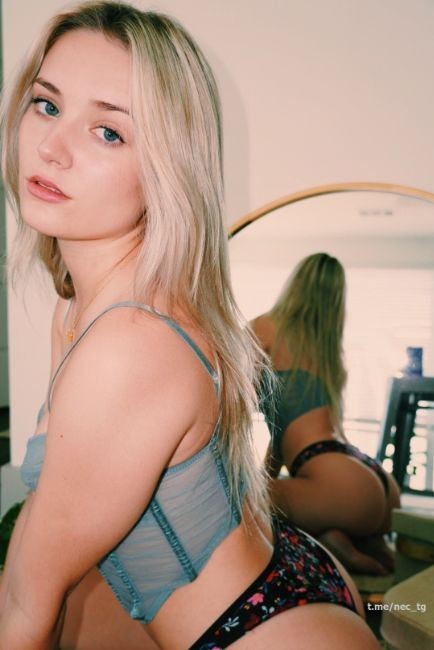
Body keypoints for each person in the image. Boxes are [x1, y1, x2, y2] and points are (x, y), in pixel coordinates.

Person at [0, 3, 379, 648]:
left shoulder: (129, 343)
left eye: (108, 132)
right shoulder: (86, 306)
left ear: (170, 165)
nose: (51, 148)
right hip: (288, 569)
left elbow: (26, 606)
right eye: (47, 104)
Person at [252, 252, 401, 577]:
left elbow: (227, 397)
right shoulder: (328, 352)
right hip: (369, 477)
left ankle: (330, 536)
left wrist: (261, 484)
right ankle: (342, 536)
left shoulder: (264, 328)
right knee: (270, 493)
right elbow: (285, 433)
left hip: (334, 482)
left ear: (296, 283)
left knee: (239, 497)